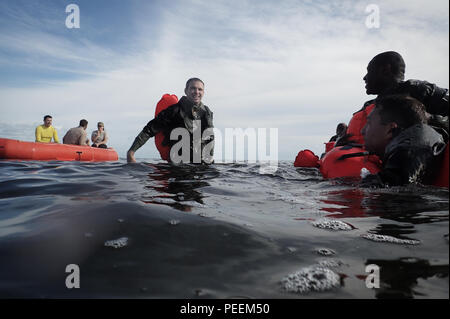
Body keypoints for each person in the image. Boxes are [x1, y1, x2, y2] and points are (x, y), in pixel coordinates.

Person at [336, 51, 449, 146]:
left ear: (385, 70)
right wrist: (340, 139)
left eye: (369, 71)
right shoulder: (369, 107)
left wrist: (427, 119)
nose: (364, 77)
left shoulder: (421, 90)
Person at [360, 95, 446, 187]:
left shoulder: (409, 151)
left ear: (390, 129)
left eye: (369, 123)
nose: (362, 131)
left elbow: (398, 193)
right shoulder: (418, 142)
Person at [127, 78, 214, 163]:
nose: (196, 92)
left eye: (200, 89)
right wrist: (131, 152)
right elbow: (149, 130)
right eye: (193, 88)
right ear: (186, 91)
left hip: (201, 166)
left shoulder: (207, 112)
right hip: (179, 167)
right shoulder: (174, 111)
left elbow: (210, 138)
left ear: (203, 92)